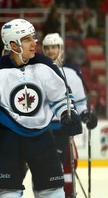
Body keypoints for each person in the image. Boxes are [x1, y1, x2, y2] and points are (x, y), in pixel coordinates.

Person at [0, 18, 83, 197]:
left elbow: (60, 97)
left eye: (33, 37)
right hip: (8, 138)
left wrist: (68, 114)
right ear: (14, 45)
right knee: (8, 192)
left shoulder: (45, 64)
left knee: (53, 191)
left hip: (42, 137)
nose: (34, 43)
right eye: (27, 39)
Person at [42, 32, 98, 197]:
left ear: (61, 49)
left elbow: (80, 103)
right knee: (45, 169)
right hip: (42, 129)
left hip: (62, 129)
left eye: (54, 47)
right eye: (47, 48)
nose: (51, 51)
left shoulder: (71, 74)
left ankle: (68, 193)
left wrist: (86, 114)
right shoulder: (36, 72)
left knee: (65, 166)